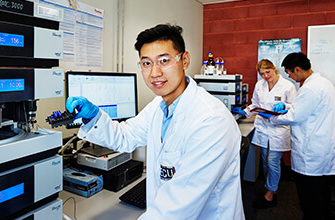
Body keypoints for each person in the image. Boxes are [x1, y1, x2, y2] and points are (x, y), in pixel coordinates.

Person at [66, 24, 245, 219]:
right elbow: (126, 136)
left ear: (184, 60)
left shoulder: (212, 121)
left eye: (164, 60)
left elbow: (174, 210)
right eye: (146, 63)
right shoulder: (159, 106)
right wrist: (94, 117)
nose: (154, 73)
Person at [259, 52, 335, 219]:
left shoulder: (310, 88)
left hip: (311, 150)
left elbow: (295, 116)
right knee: (321, 192)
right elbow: (302, 107)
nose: (289, 76)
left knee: (310, 196)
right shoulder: (323, 83)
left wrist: (271, 116)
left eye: (289, 72)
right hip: (320, 146)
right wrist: (286, 105)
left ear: (298, 69)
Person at [232, 59, 297, 209]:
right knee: (265, 160)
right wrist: (245, 112)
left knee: (273, 161)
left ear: (274, 68)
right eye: (262, 74)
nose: (266, 76)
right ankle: (271, 187)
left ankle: (270, 193)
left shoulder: (288, 86)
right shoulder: (259, 85)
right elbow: (255, 103)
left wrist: (284, 106)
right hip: (263, 127)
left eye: (268, 72)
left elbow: (294, 106)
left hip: (278, 129)